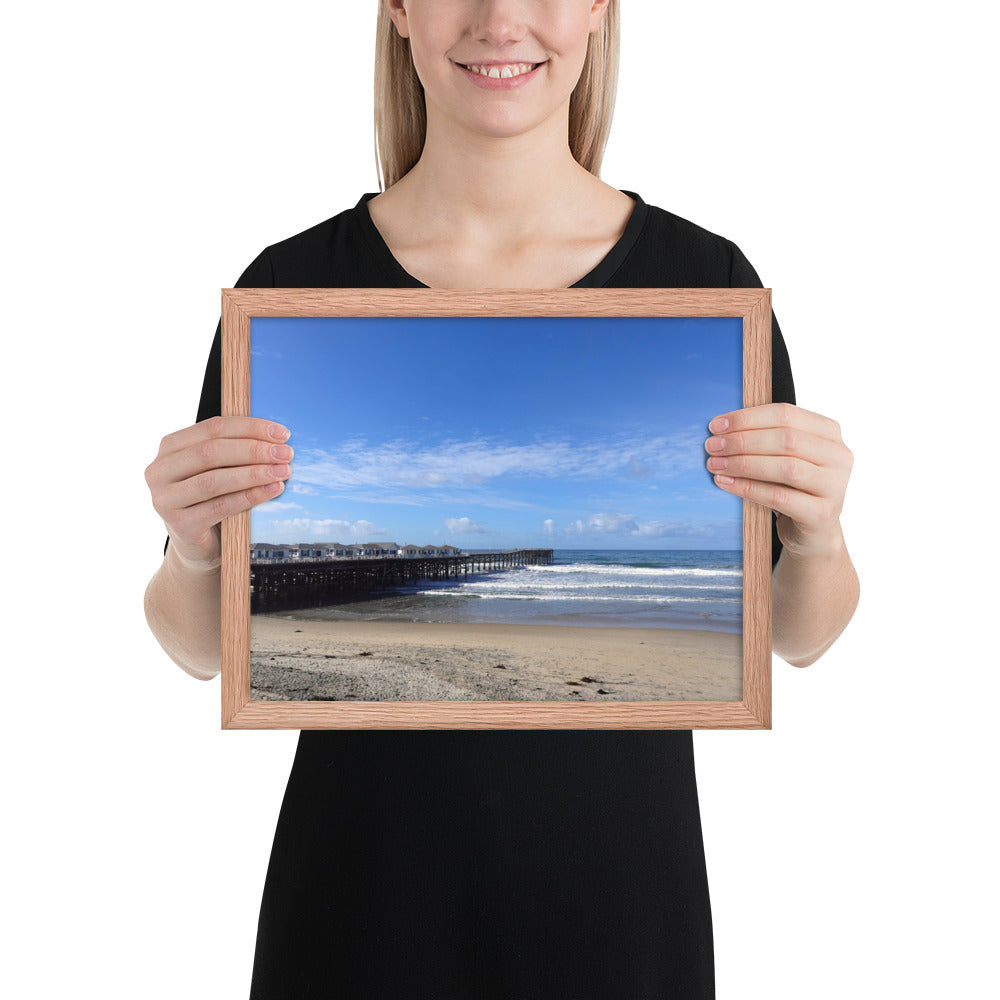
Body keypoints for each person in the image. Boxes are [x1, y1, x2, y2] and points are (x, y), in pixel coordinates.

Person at [144, 1, 859, 996]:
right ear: (397, 9)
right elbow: (197, 646)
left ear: (601, 8)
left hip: (620, 909)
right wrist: (192, 552)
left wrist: (818, 537)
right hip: (358, 906)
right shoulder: (291, 288)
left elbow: (797, 635)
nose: (500, 18)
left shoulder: (705, 284)